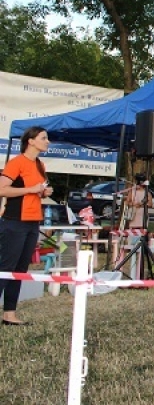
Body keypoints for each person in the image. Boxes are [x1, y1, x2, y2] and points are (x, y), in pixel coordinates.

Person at [0, 126, 53, 325]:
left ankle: (9, 314)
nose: (47, 141)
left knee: (20, 269)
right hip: (15, 222)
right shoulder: (16, 163)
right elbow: (2, 189)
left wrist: (43, 192)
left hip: (33, 222)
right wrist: (31, 189)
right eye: (43, 138)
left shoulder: (40, 164)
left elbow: (35, 191)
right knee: (6, 267)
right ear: (30, 141)